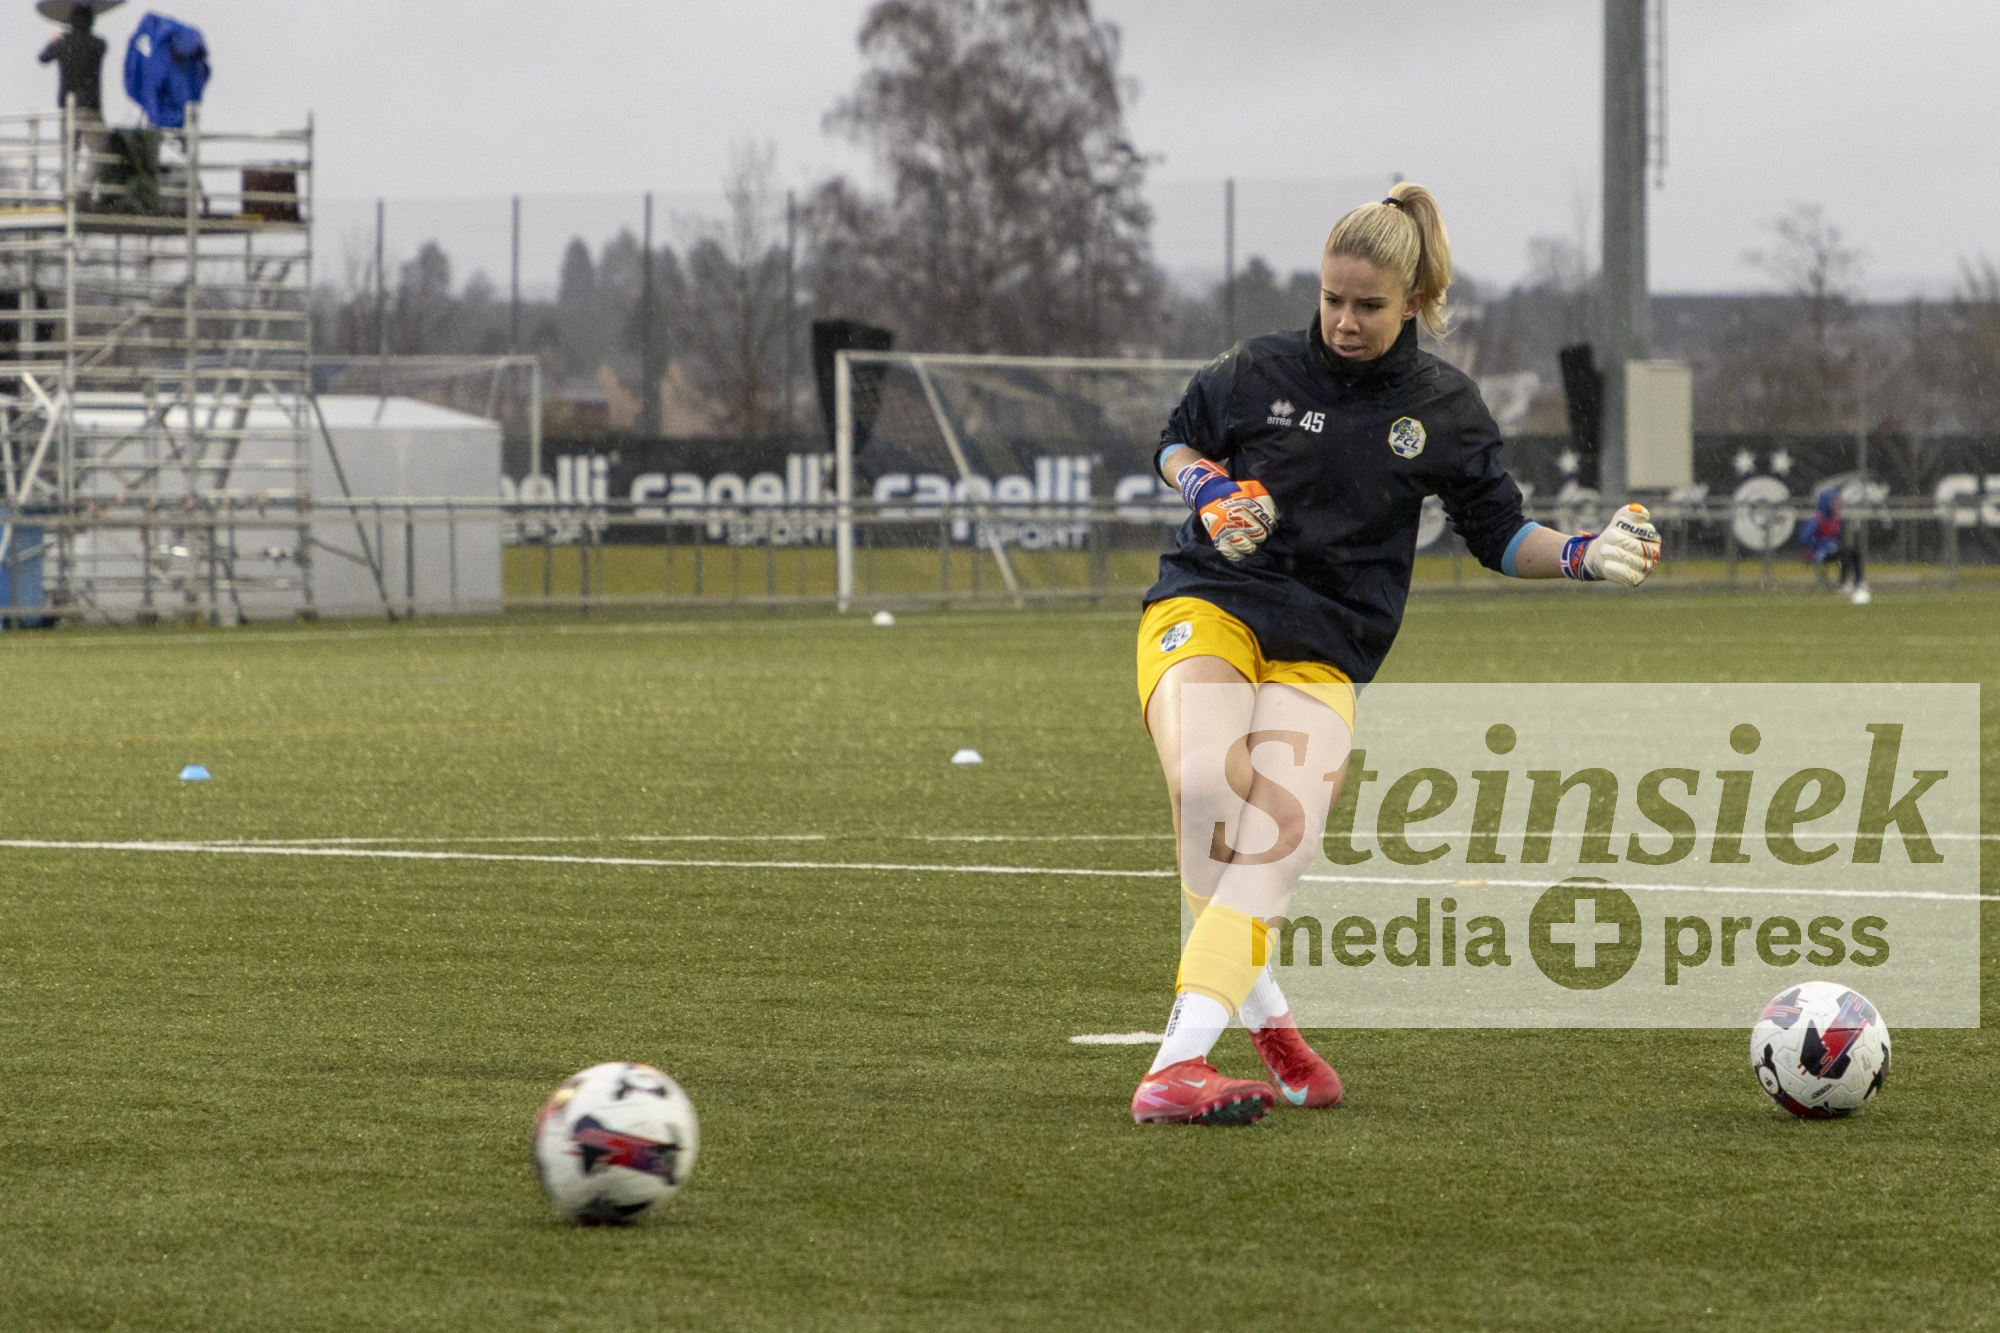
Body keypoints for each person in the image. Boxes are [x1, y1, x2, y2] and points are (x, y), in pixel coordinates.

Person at [1129, 183, 1662, 1126]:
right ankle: (1223, 1046)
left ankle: (1219, 1044)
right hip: (1210, 602)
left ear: (1413, 300)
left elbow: (1501, 535)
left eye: (1368, 305)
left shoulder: (1444, 407)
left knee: (1274, 835)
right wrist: (1208, 487)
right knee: (1209, 786)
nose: (1343, 320)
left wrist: (1583, 554)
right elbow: (1176, 441)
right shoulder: (1256, 369)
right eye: (1331, 299)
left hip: (1329, 644)